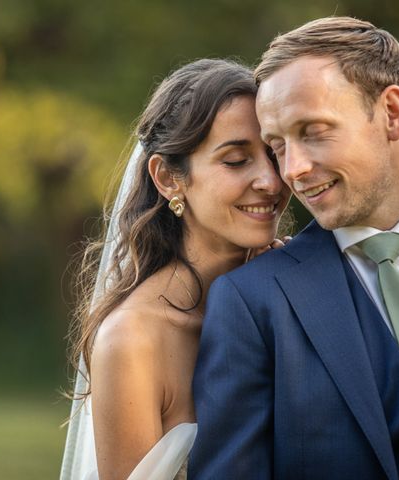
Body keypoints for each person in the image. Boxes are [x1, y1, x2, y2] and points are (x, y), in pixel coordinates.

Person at [189, 16, 399, 480]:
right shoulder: (253, 303)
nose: (293, 169)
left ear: (392, 113)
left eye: (312, 131)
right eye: (277, 146)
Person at [60, 58, 291, 480]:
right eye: (236, 160)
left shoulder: (291, 299)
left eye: (275, 156)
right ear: (168, 178)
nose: (271, 182)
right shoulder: (133, 341)